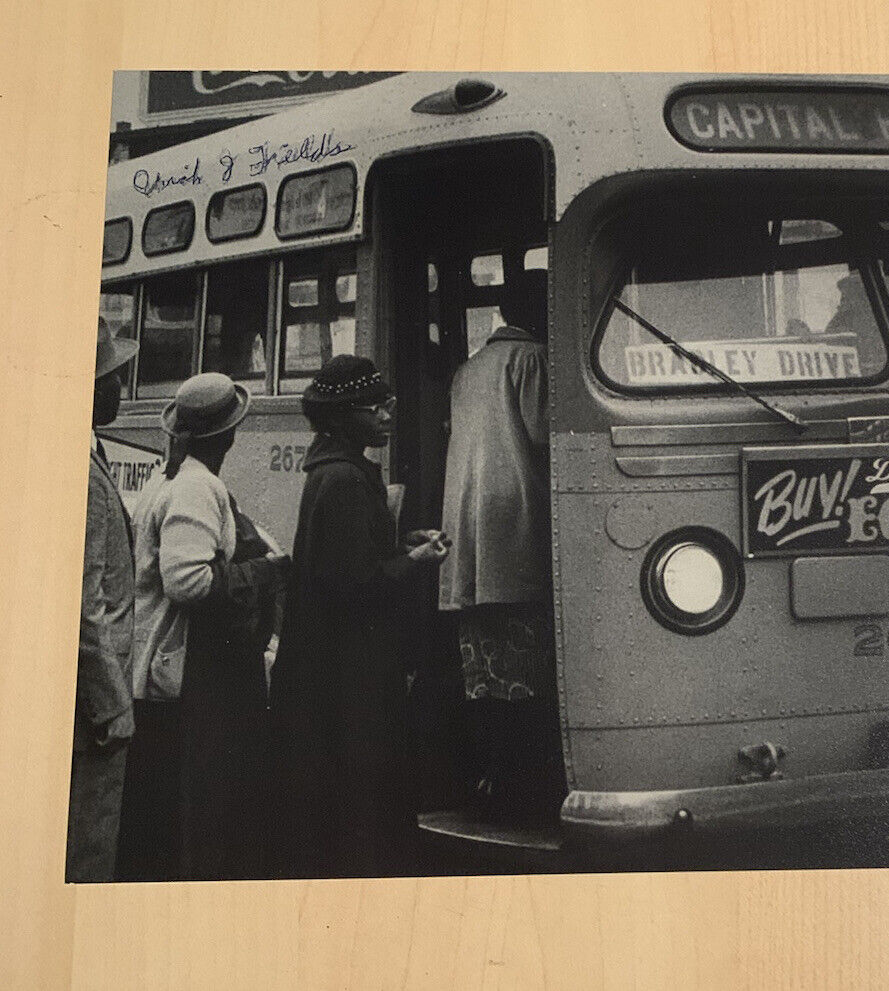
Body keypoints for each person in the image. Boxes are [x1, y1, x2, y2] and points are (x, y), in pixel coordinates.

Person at [270, 355, 448, 879]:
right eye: (377, 408)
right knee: (361, 806)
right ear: (348, 416)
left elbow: (351, 560)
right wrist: (414, 561)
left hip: (331, 670)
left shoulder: (331, 471)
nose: (388, 415)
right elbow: (353, 585)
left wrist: (399, 543)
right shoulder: (346, 479)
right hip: (351, 678)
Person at [118, 372, 287, 880]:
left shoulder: (170, 478)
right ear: (230, 433)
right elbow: (187, 583)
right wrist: (268, 571)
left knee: (164, 812)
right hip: (190, 672)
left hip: (158, 665)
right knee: (201, 811)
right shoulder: (197, 486)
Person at [438, 270, 562, 821]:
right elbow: (545, 436)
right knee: (527, 667)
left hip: (468, 529)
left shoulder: (469, 369)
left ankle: (492, 779)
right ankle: (527, 789)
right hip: (515, 525)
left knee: (484, 671)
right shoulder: (532, 360)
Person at [67, 319, 138, 882]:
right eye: (111, 376)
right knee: (90, 848)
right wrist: (112, 705)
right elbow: (84, 607)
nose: (120, 386)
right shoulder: (85, 476)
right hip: (91, 708)